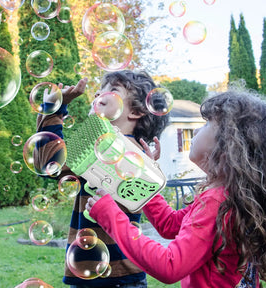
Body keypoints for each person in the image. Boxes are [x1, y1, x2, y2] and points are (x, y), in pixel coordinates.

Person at [86, 87, 266, 288]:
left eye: (207, 123)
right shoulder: (230, 197)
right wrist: (144, 179)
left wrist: (110, 216)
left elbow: (170, 265)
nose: (198, 130)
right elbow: (170, 224)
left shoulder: (216, 200)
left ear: (229, 144)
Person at [35, 69, 169, 287]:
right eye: (99, 91)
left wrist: (55, 108)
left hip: (115, 279)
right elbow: (47, 163)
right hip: (99, 273)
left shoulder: (112, 150)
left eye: (112, 90)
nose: (98, 94)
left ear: (136, 111)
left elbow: (50, 162)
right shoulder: (103, 146)